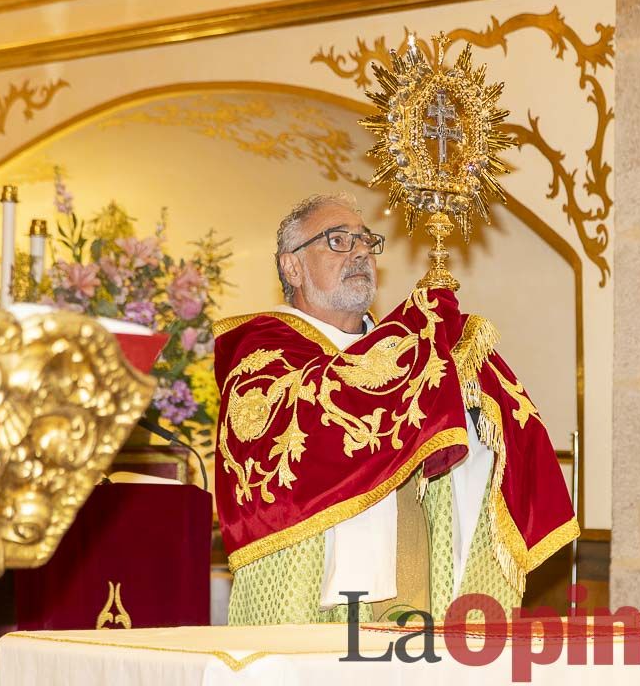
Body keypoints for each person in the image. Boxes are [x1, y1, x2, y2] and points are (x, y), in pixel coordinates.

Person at [214, 194, 577, 624]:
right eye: (337, 240)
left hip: (414, 563)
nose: (360, 251)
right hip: (312, 590)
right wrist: (416, 342)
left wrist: (470, 402)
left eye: (365, 240)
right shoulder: (261, 350)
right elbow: (313, 421)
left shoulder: (407, 352)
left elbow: (458, 453)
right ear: (292, 266)